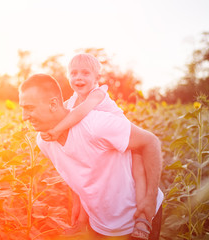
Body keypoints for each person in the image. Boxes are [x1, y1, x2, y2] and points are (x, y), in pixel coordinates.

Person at [18, 73, 164, 239]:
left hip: (138, 219)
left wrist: (150, 199)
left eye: (29, 108)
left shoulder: (95, 125)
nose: (23, 117)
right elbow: (75, 170)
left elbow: (151, 142)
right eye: (22, 108)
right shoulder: (43, 142)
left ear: (53, 104)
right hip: (99, 224)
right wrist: (79, 207)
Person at [40, 53, 149, 239]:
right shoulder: (73, 99)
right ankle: (82, 223)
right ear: (68, 77)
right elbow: (61, 111)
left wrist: (57, 130)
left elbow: (80, 113)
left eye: (85, 73)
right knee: (88, 181)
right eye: (73, 73)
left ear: (97, 79)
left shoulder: (97, 94)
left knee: (138, 175)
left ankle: (142, 219)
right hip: (105, 148)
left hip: (128, 143)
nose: (78, 78)